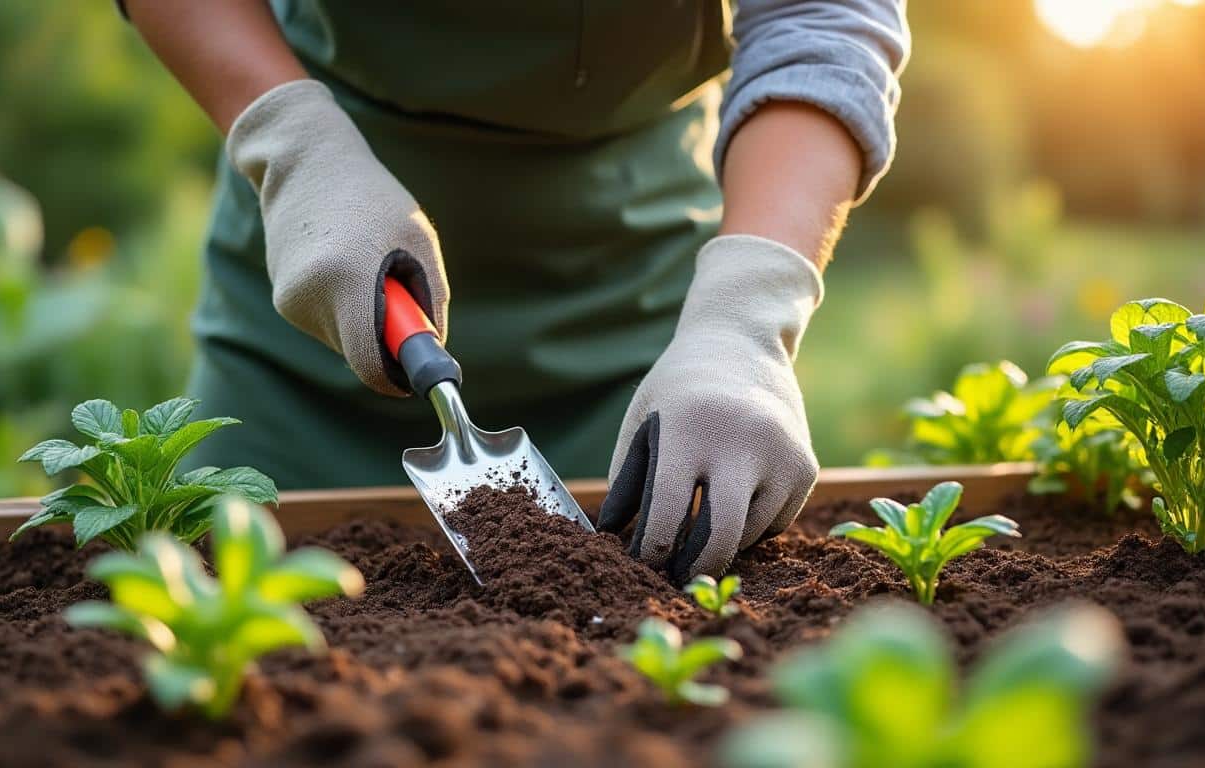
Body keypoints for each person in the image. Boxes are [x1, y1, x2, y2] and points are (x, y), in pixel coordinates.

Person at [121, 1, 909, 582]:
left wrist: (744, 315)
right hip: (323, 252)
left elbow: (821, 23)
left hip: (635, 318)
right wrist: (290, 143)